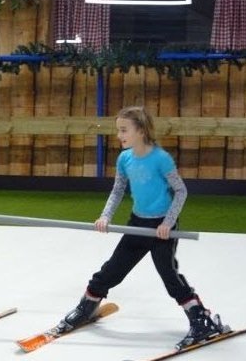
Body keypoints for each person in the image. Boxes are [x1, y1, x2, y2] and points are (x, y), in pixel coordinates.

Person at [58, 106, 226, 349]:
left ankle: (202, 319)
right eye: (118, 130)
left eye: (124, 130)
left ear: (141, 130)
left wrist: (168, 222)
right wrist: (105, 216)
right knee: (112, 270)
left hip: (161, 227)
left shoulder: (160, 158)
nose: (119, 135)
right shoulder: (124, 159)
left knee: (169, 275)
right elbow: (117, 191)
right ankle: (87, 306)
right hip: (138, 223)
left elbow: (181, 191)